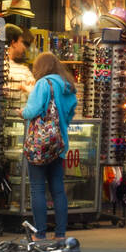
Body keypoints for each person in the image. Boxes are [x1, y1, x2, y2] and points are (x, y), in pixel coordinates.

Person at [21, 52, 77, 241]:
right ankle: (60, 233)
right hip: (59, 144)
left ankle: (40, 233)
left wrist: (21, 111)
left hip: (40, 145)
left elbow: (32, 111)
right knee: (58, 188)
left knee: (37, 188)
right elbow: (70, 112)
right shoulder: (67, 85)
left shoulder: (43, 84)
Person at [3, 23, 35, 112]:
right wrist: (22, 87)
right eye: (22, 42)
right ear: (13, 43)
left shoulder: (24, 70)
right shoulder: (23, 70)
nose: (25, 48)